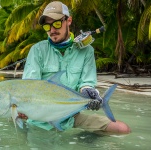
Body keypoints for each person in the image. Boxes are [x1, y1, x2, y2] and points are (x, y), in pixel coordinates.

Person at [20, 1, 131, 134]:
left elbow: (86, 83)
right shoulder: (37, 50)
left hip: (71, 115)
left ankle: (85, 141)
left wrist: (88, 92)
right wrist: (24, 109)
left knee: (122, 129)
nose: (52, 30)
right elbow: (29, 87)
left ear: (69, 20)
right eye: (47, 26)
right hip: (40, 116)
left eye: (56, 23)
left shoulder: (86, 50)